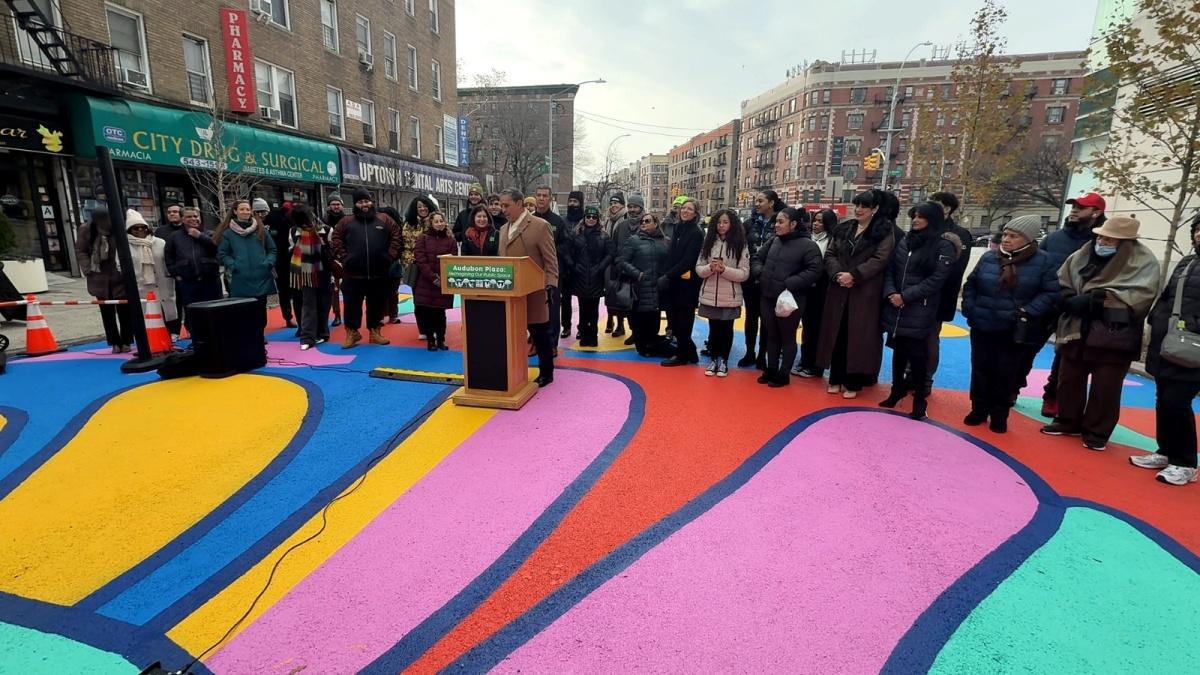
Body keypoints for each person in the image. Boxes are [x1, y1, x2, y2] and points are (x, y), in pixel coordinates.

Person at [1040, 215, 1160, 450]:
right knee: (1069, 378)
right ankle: (1067, 420)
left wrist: (1098, 300)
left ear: (1124, 242)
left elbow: (1140, 297)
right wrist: (1066, 297)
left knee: (1106, 387)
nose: (1102, 241)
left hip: (1114, 335)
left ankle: (1097, 432)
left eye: (1109, 238)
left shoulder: (1143, 261)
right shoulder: (1083, 253)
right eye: (1101, 236)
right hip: (1077, 329)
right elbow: (1063, 278)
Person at [960, 215, 1061, 433]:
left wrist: (1027, 311)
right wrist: (971, 309)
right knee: (980, 369)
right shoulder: (989, 258)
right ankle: (978, 409)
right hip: (983, 324)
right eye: (1005, 234)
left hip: (1013, 328)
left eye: (1013, 236)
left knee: (1005, 373)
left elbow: (1051, 292)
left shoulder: (1043, 261)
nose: (1006, 239)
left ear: (1028, 239)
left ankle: (999, 414)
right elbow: (972, 285)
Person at [1135, 213, 1200, 486]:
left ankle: (1186, 462)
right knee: (1163, 399)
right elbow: (1168, 298)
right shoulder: (1187, 262)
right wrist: (1156, 321)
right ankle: (1166, 451)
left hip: (1193, 346)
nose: (1199, 235)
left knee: (1177, 401)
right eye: (1197, 229)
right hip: (1169, 342)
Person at [878, 202, 958, 419]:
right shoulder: (905, 242)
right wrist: (891, 293)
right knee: (898, 350)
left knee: (918, 355)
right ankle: (896, 391)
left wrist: (906, 296)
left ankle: (919, 399)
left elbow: (937, 279)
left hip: (920, 308)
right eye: (914, 216)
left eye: (921, 217)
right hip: (897, 306)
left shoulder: (943, 245)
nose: (915, 220)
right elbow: (891, 271)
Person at [817, 190, 897, 399]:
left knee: (858, 337)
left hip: (864, 292)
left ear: (874, 209)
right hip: (838, 289)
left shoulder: (883, 231)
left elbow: (881, 259)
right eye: (857, 205)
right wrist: (837, 274)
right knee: (837, 332)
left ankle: (853, 382)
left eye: (864, 206)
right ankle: (835, 377)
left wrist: (855, 275)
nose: (859, 210)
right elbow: (831, 254)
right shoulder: (845, 228)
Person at [1039, 192, 1106, 417]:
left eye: (1081, 207)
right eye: (1074, 206)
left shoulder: (1102, 241)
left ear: (1096, 213)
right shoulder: (1054, 238)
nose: (1075, 210)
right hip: (1049, 302)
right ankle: (1011, 389)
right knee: (1025, 346)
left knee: (1065, 355)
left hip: (1077, 308)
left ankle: (1053, 396)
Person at [750, 207, 822, 386]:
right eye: (776, 222)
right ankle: (771, 369)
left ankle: (784, 374)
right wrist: (760, 273)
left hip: (791, 300)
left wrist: (791, 283)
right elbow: (757, 258)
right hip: (767, 295)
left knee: (787, 336)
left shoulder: (808, 245)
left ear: (794, 224)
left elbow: (815, 270)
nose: (777, 225)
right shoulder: (774, 240)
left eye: (781, 222)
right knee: (772, 335)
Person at [497, 188, 559, 386]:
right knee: (510, 334)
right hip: (510, 291)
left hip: (535, 290)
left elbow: (551, 260)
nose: (502, 209)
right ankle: (511, 371)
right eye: (501, 205)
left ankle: (546, 372)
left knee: (539, 333)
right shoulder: (503, 229)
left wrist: (550, 284)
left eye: (506, 205)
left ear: (519, 203)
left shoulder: (540, 226)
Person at [330, 188, 403, 348]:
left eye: (367, 201)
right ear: (355, 204)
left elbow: (397, 236)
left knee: (377, 303)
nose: (364, 204)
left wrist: (390, 256)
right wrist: (344, 257)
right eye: (360, 201)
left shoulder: (384, 219)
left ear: (371, 202)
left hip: (379, 272)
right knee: (351, 304)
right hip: (352, 273)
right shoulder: (346, 221)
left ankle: (375, 331)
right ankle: (352, 332)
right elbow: (335, 238)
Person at [922, 191, 973, 394]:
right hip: (916, 296)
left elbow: (954, 270)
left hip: (939, 297)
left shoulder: (960, 235)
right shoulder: (925, 229)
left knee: (930, 337)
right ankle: (910, 372)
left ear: (947, 208)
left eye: (936, 204)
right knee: (911, 336)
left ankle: (926, 378)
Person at [696, 209, 750, 377]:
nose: (721, 225)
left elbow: (744, 273)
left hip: (730, 296)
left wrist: (724, 270)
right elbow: (699, 268)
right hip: (710, 295)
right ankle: (713, 360)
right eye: (719, 222)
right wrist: (710, 269)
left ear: (732, 224)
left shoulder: (740, 245)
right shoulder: (708, 243)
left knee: (727, 330)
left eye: (725, 222)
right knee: (713, 330)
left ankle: (724, 361)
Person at [215, 199, 277, 337]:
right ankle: (248, 336)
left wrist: (268, 263)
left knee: (261, 310)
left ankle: (259, 335)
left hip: (261, 275)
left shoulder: (260, 229)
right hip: (240, 277)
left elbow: (272, 249)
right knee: (243, 310)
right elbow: (223, 253)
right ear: (235, 211)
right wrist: (233, 265)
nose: (245, 212)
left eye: (247, 209)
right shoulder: (228, 233)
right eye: (242, 209)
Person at [739, 190, 785, 369]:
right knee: (751, 316)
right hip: (750, 277)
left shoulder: (780, 222)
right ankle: (749, 352)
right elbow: (742, 246)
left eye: (760, 201)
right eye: (755, 201)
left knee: (768, 318)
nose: (756, 204)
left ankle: (762, 355)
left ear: (771, 202)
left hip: (771, 278)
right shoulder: (749, 223)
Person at [75, 207, 131, 353]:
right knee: (107, 312)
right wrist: (87, 269)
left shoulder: (120, 227)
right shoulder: (86, 230)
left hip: (119, 273)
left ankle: (126, 340)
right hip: (98, 274)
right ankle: (114, 342)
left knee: (125, 310)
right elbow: (81, 250)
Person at [659, 199, 704, 367]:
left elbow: (687, 261)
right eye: (683, 208)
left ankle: (682, 355)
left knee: (684, 320)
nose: (685, 211)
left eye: (689, 209)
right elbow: (672, 255)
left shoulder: (696, 233)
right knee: (675, 320)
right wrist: (665, 274)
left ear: (695, 213)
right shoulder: (678, 228)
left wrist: (667, 276)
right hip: (674, 282)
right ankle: (690, 352)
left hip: (687, 284)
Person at [164, 207, 221, 337]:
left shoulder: (209, 233)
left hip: (210, 280)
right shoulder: (175, 237)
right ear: (183, 219)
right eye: (189, 217)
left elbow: (216, 248)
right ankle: (196, 338)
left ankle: (216, 338)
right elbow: (168, 257)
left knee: (214, 311)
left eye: (195, 216)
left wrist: (200, 236)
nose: (193, 219)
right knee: (193, 313)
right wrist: (176, 274)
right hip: (188, 282)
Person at [618, 212, 669, 357]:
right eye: (642, 221)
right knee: (640, 318)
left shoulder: (664, 241)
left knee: (654, 317)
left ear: (656, 223)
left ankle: (652, 344)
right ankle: (642, 346)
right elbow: (622, 261)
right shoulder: (634, 240)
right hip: (640, 287)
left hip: (658, 286)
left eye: (647, 221)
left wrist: (665, 277)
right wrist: (637, 274)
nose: (644, 223)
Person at [794, 208, 836, 378]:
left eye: (820, 221)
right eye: (815, 220)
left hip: (822, 291)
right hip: (805, 288)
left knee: (817, 328)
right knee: (806, 327)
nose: (816, 224)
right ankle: (805, 361)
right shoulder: (806, 239)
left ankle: (816, 365)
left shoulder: (832, 241)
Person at [125, 209, 177, 337]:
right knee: (146, 315)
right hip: (141, 286)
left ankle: (169, 338)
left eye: (142, 227)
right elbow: (121, 266)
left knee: (165, 313)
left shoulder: (159, 243)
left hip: (162, 283)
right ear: (129, 230)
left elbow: (168, 261)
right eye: (135, 228)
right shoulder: (125, 246)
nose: (139, 230)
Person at [287, 205, 332, 350]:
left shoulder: (326, 230)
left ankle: (323, 333)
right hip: (305, 273)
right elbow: (290, 250)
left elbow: (333, 251)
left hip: (323, 271)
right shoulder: (294, 231)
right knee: (308, 304)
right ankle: (307, 336)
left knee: (324, 304)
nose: (307, 223)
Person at [413, 211, 457, 351]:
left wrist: (443, 278)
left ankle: (441, 339)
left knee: (440, 313)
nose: (439, 223)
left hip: (443, 281)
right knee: (428, 312)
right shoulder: (423, 238)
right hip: (426, 282)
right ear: (431, 223)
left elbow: (453, 259)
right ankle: (431, 340)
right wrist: (433, 277)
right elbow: (421, 260)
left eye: (441, 220)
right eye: (436, 221)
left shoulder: (451, 240)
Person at [568, 205, 612, 347]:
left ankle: (593, 336)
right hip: (580, 275)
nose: (591, 219)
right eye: (588, 216)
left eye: (594, 217)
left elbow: (611, 253)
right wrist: (574, 266)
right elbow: (568, 252)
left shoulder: (604, 235)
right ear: (584, 218)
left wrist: (601, 267)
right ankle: (584, 335)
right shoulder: (576, 234)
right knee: (583, 308)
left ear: (598, 219)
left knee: (593, 310)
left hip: (596, 276)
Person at [534, 186, 571, 343]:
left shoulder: (558, 221)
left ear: (550, 199)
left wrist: (549, 249)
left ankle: (552, 343)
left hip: (553, 272)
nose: (541, 198)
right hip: (534, 271)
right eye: (539, 195)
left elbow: (566, 245)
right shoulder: (529, 220)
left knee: (553, 308)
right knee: (535, 309)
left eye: (545, 196)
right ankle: (535, 342)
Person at [402, 196, 438, 336]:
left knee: (435, 299)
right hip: (416, 268)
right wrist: (410, 263)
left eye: (425, 206)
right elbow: (405, 247)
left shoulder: (436, 221)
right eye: (419, 207)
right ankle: (423, 329)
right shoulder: (409, 224)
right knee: (419, 300)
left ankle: (435, 327)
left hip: (434, 267)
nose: (423, 209)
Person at [263, 202, 298, 329]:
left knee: (288, 291)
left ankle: (290, 317)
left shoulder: (288, 220)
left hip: (288, 259)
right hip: (283, 260)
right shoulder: (274, 220)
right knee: (287, 291)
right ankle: (289, 317)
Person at [154, 203, 184, 334]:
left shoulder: (187, 229)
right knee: (171, 303)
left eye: (175, 212)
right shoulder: (160, 231)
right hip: (167, 273)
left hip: (185, 272)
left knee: (186, 302)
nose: (172, 214)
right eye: (169, 212)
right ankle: (173, 331)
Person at [603, 192, 629, 335]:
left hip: (619, 261)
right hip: (608, 261)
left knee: (619, 294)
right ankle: (609, 319)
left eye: (616, 203)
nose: (613, 206)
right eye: (611, 203)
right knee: (609, 292)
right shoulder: (609, 220)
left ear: (622, 205)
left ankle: (620, 324)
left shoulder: (625, 218)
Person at [562, 190, 586, 336]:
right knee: (565, 299)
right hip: (565, 266)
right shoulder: (562, 221)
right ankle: (566, 326)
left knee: (583, 299)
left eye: (575, 202)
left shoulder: (586, 220)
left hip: (582, 266)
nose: (572, 204)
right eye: (570, 201)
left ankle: (582, 327)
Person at [379, 205, 406, 325]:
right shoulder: (376, 229)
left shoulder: (399, 230)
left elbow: (401, 247)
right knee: (379, 292)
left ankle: (393, 314)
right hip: (379, 265)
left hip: (394, 264)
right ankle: (380, 316)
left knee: (393, 292)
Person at [322, 195, 346, 326]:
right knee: (334, 289)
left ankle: (350, 313)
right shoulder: (324, 221)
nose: (336, 206)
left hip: (346, 258)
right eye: (333, 204)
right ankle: (337, 314)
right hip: (331, 259)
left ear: (342, 205)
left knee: (348, 288)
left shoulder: (348, 220)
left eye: (338, 204)